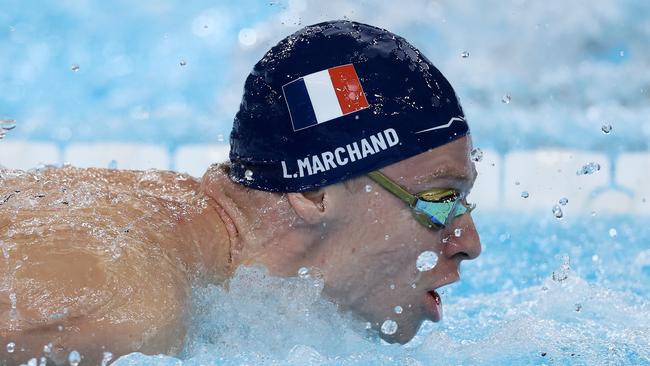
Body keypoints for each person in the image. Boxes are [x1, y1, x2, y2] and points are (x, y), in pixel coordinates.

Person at [0, 20, 480, 365]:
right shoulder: (123, 311)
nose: (469, 243)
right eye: (439, 201)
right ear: (314, 192)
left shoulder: (170, 239)